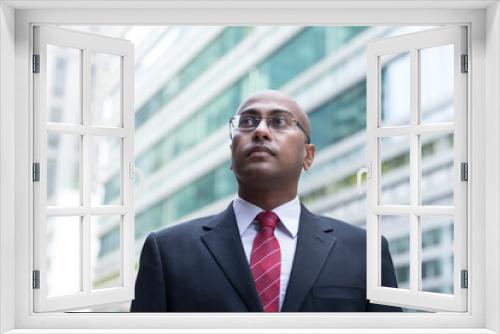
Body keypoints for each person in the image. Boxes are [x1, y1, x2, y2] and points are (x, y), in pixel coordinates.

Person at [130, 90, 402, 312]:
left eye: (279, 122)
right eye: (247, 122)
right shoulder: (167, 252)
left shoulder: (365, 252)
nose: (260, 131)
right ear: (231, 153)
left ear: (308, 156)